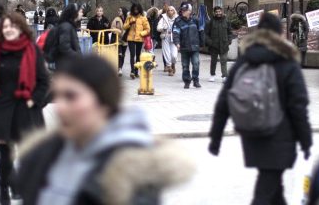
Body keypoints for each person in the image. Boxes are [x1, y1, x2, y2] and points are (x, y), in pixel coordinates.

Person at [17, 55, 194, 205]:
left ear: (104, 101)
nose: (60, 107)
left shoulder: (131, 173)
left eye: (71, 96)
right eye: (58, 96)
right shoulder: (40, 156)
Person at [208, 13, 312, 205]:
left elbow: (224, 101)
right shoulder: (287, 61)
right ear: (279, 34)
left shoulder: (245, 60)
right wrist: (306, 141)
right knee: (265, 191)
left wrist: (216, 138)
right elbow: (298, 106)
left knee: (273, 186)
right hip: (280, 134)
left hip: (252, 134)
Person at [0, 13, 49, 205]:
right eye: (5, 26)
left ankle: (26, 189)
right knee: (5, 156)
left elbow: (44, 81)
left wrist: (34, 100)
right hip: (1, 110)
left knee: (28, 155)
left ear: (21, 28)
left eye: (13, 26)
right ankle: (4, 189)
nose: (8, 29)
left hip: (26, 110)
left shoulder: (31, 49)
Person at [43, 3, 83, 70]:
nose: (82, 14)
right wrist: (78, 57)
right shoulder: (66, 27)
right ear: (74, 13)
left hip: (67, 64)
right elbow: (64, 47)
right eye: (80, 12)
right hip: (66, 65)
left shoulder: (69, 26)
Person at [173, 2, 204, 88]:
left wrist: (202, 43)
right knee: (185, 65)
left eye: (185, 10)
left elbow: (201, 31)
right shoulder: (178, 21)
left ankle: (195, 80)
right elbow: (175, 33)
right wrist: (177, 43)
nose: (183, 12)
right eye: (182, 10)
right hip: (184, 47)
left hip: (195, 46)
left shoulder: (196, 20)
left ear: (189, 11)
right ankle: (187, 81)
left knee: (196, 63)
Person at [205, 6, 233, 83]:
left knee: (223, 61)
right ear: (214, 13)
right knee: (213, 61)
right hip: (214, 46)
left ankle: (224, 76)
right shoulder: (210, 22)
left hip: (224, 45)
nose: (218, 13)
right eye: (216, 12)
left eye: (219, 11)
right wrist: (210, 42)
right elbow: (206, 34)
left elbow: (230, 32)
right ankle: (212, 75)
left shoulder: (226, 21)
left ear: (222, 12)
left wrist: (229, 41)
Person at [123, 3, 151, 79]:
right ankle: (132, 71)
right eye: (134, 9)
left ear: (139, 9)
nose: (136, 11)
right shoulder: (129, 17)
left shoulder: (143, 18)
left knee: (138, 55)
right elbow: (124, 27)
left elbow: (148, 29)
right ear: (132, 9)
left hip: (140, 38)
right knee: (132, 54)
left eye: (137, 9)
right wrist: (129, 23)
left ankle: (136, 71)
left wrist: (142, 33)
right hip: (131, 38)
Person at [157, 6, 178, 76]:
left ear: (174, 11)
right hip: (165, 37)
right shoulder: (163, 18)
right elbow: (158, 28)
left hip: (174, 38)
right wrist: (163, 28)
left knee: (174, 55)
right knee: (167, 53)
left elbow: (180, 28)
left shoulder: (177, 19)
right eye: (168, 10)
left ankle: (173, 64)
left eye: (171, 10)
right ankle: (169, 68)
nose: (170, 11)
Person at [111, 7, 129, 77]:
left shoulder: (127, 19)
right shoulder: (116, 19)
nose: (119, 12)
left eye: (120, 11)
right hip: (117, 40)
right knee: (119, 54)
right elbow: (112, 28)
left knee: (123, 55)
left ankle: (120, 67)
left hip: (125, 40)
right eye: (118, 10)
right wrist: (117, 31)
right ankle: (119, 68)